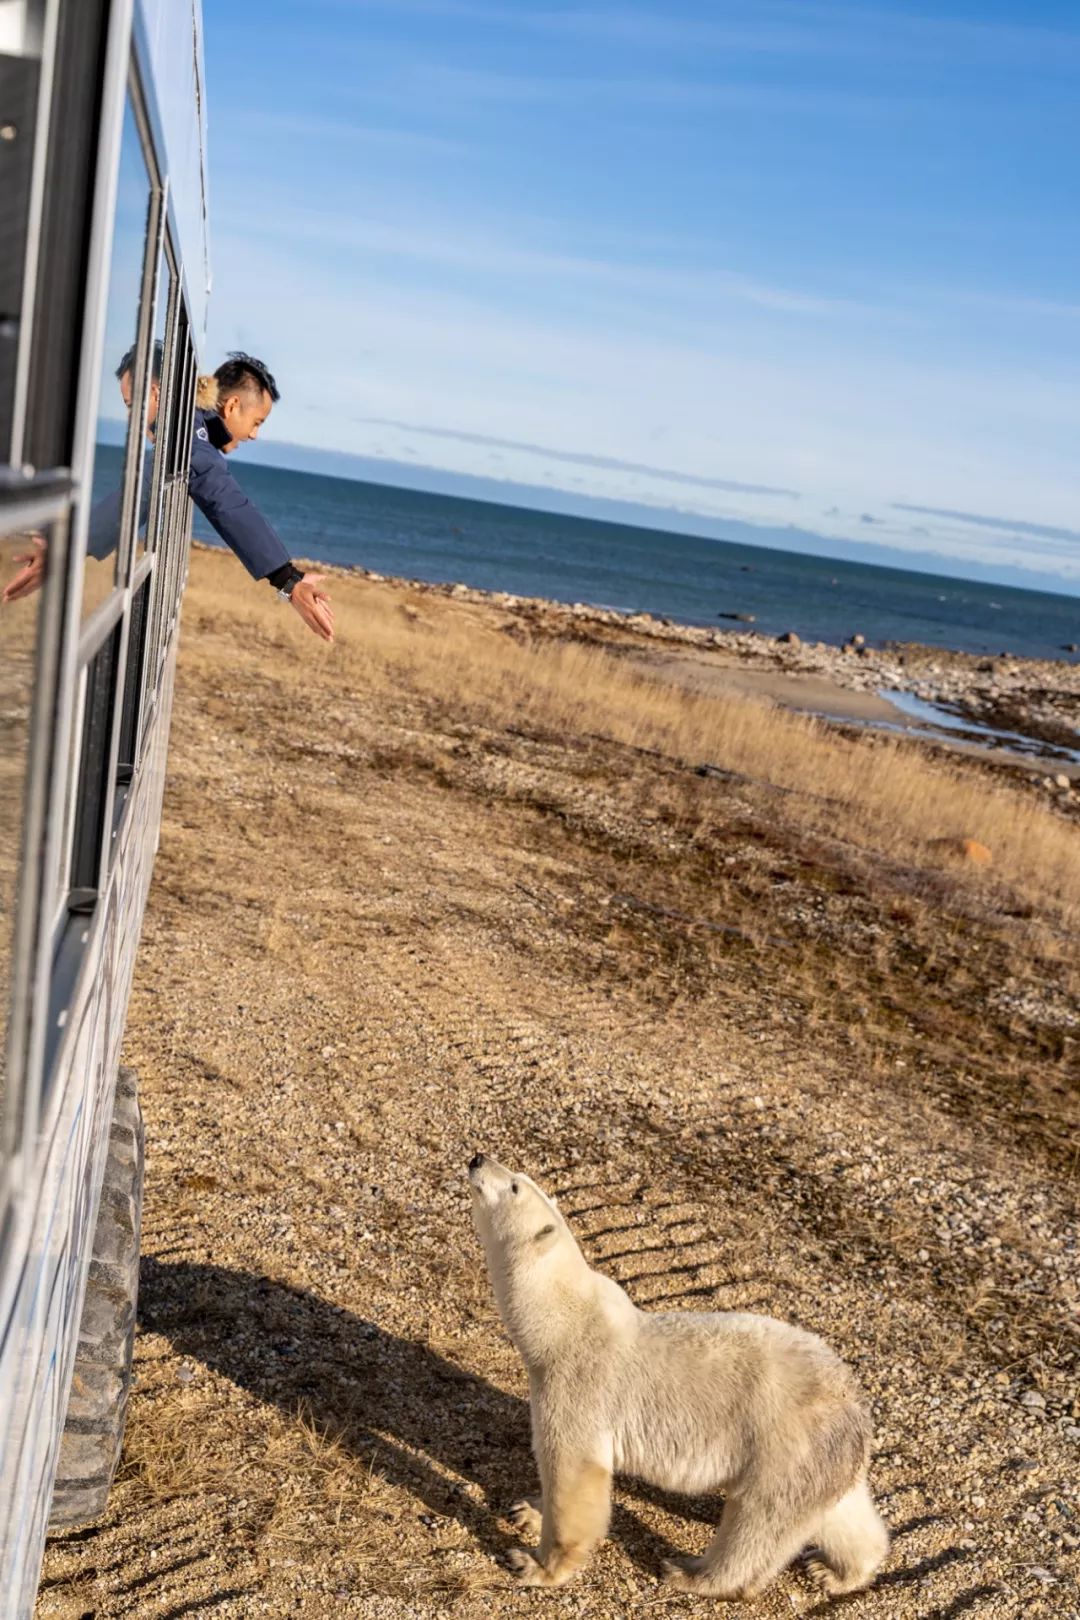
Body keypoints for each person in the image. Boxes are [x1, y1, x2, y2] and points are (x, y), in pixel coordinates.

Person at [4, 350, 334, 644]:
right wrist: (287, 580)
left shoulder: (191, 433)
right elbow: (223, 500)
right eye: (257, 422)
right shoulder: (191, 439)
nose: (254, 434)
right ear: (232, 405)